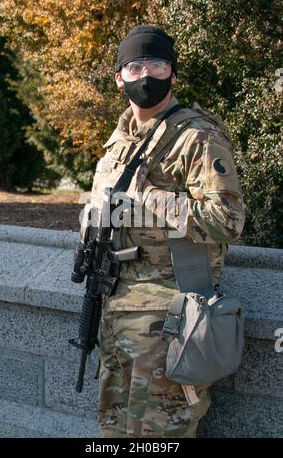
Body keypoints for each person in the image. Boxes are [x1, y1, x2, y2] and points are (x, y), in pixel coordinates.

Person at [79, 25, 245, 438]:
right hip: (116, 311)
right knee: (114, 433)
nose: (146, 76)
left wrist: (151, 196)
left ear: (172, 72)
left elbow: (228, 220)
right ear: (120, 77)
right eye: (135, 67)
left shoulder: (196, 136)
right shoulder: (120, 139)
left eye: (156, 64)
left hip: (172, 317)